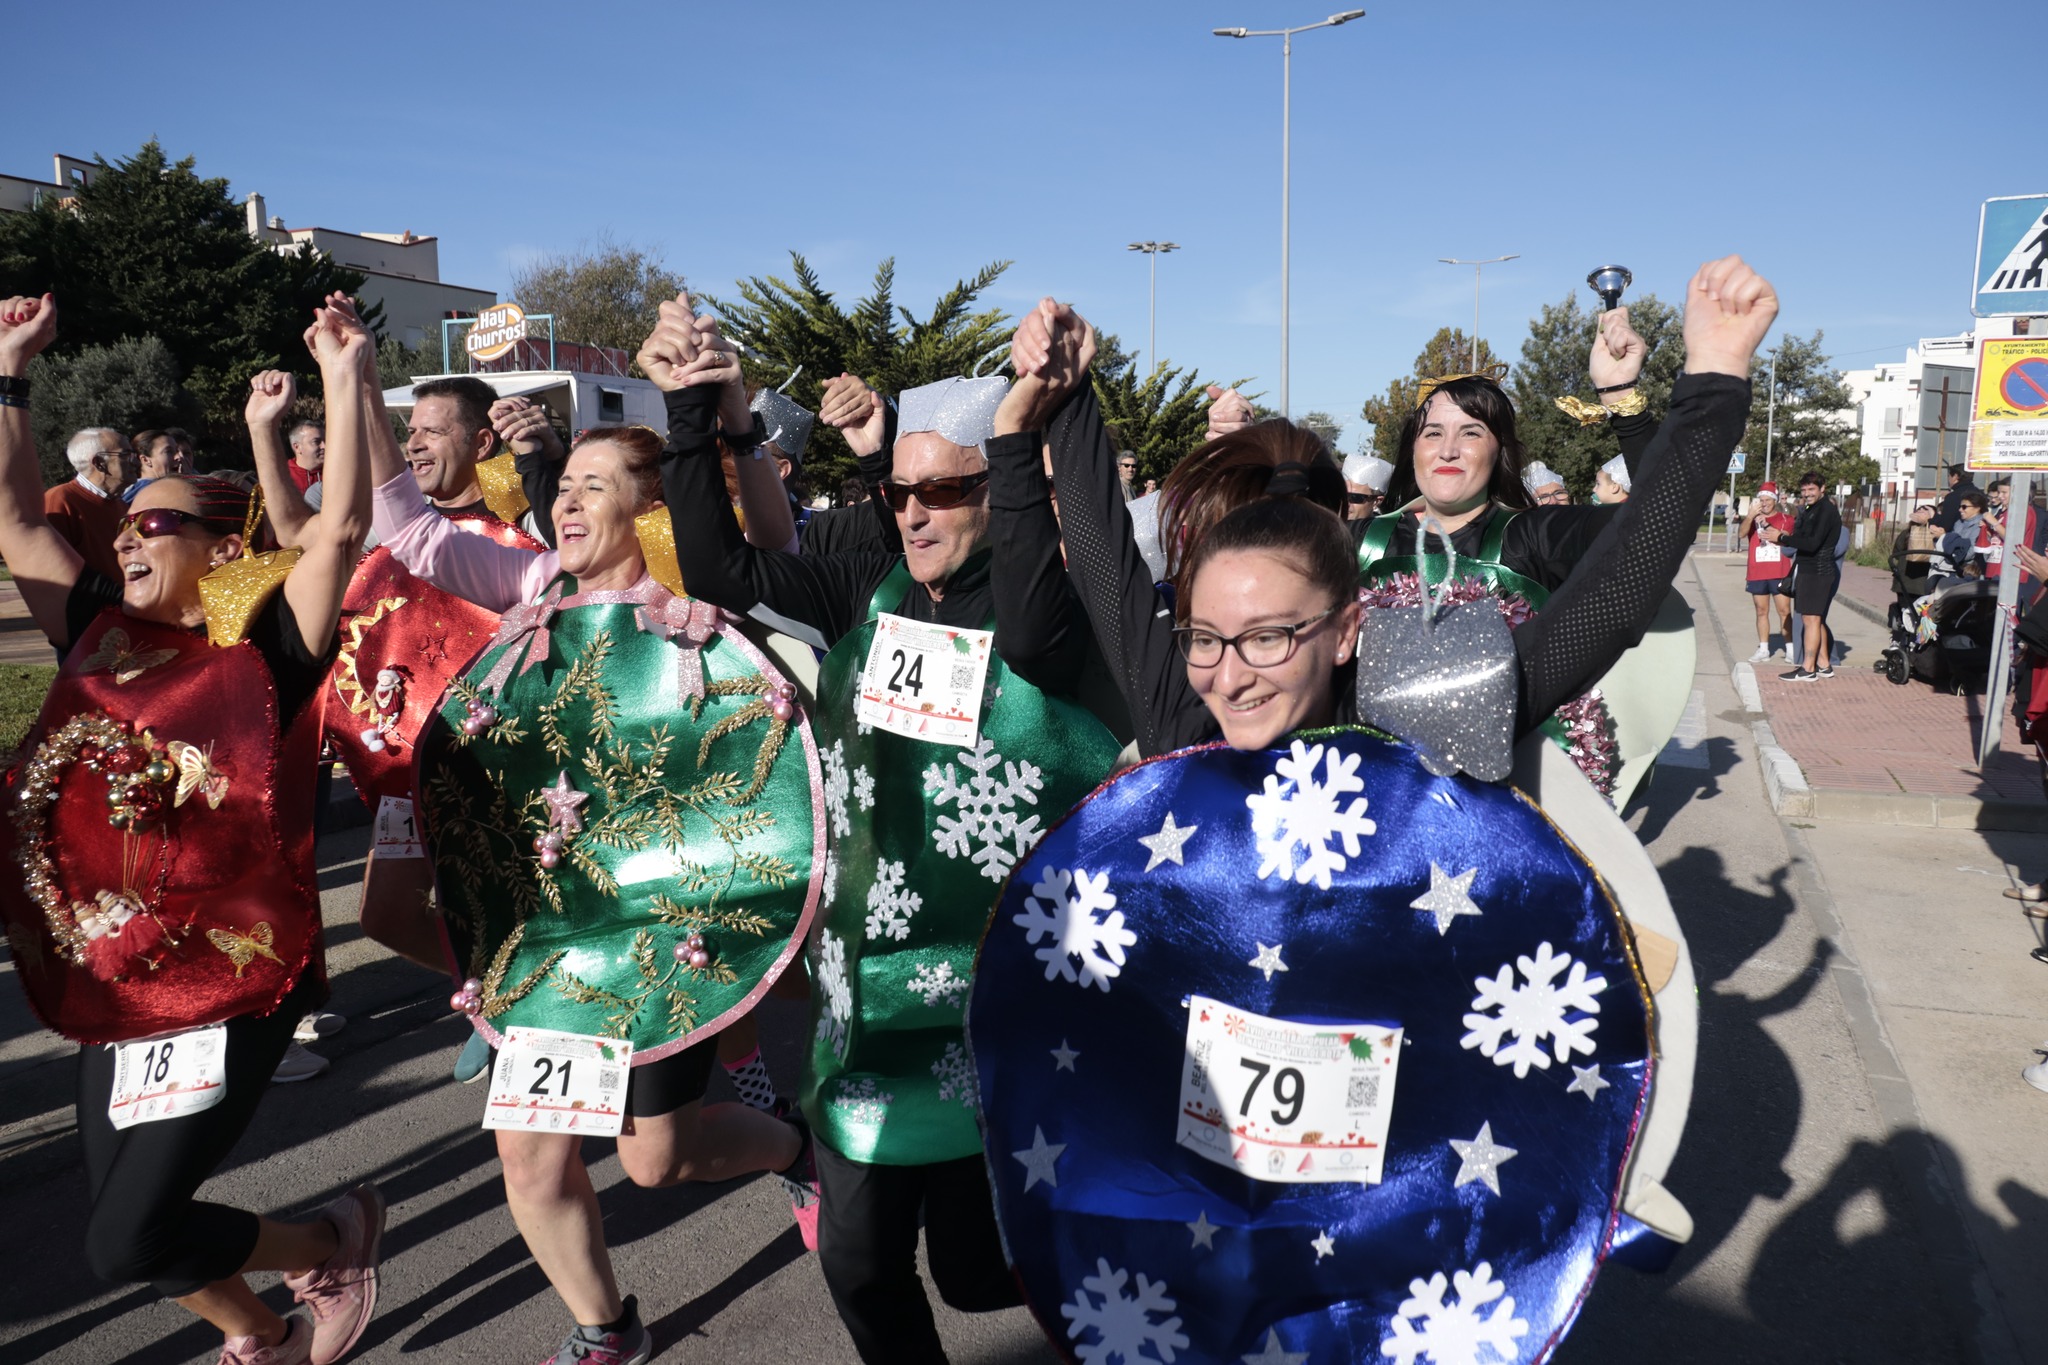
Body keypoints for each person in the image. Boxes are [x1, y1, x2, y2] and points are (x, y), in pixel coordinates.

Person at [658, 289, 1124, 1364]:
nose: (911, 512)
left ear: (1000, 492)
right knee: (859, 1266)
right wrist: (692, 411)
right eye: (896, 489)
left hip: (993, 1010)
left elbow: (1036, 577)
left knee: (968, 1275)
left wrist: (1026, 435)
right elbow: (720, 571)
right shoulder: (870, 588)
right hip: (866, 1007)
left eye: (943, 490)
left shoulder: (1042, 619)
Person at [364, 363, 817, 1365]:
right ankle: (604, 1329)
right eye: (560, 487)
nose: (564, 503)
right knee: (527, 1157)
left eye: (591, 488)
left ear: (648, 509)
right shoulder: (534, 582)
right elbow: (406, 530)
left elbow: (776, 556)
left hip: (672, 920)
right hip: (559, 923)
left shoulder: (698, 595)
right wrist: (346, 376)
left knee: (655, 1161)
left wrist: (728, 647)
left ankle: (793, 1143)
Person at [0, 290, 383, 1365]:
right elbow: (17, 520)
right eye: (125, 524)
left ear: (218, 552)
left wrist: (346, 379)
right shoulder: (93, 636)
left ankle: (329, 1239)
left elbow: (337, 530)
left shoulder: (264, 655)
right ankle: (260, 1334)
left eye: (155, 525)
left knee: (125, 1241)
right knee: (130, 1218)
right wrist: (7, 374)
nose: (127, 538)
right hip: (114, 980)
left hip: (235, 980)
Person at [1761, 470, 1842, 681]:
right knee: (1816, 619)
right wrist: (1782, 538)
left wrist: (1783, 538)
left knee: (1811, 619)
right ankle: (1823, 664)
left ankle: (1808, 668)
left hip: (1818, 571)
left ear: (1822, 489)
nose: (1807, 493)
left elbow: (1813, 543)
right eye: (1804, 490)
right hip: (1809, 569)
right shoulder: (1810, 508)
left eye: (1812, 489)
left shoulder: (1825, 510)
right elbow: (1802, 537)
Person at [42, 427, 132, 581]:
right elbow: (52, 570)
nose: (136, 461)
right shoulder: (60, 501)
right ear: (99, 463)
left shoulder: (121, 505)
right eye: (126, 455)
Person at [1739, 482, 1796, 660]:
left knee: (1784, 610)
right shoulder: (1753, 518)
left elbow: (1786, 538)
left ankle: (1791, 649)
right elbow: (1741, 534)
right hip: (1757, 571)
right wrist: (1749, 517)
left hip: (1779, 571)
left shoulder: (1786, 518)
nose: (1764, 503)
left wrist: (1768, 526)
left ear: (1775, 500)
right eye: (1761, 500)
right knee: (1761, 610)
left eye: (1768, 500)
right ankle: (1764, 649)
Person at [1342, 453, 1393, 519]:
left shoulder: (1386, 528)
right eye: (1342, 495)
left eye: (1354, 497)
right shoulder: (1326, 526)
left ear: (1377, 502)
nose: (1346, 503)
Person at [1934, 463, 1979, 532]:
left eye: (1949, 476)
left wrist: (1932, 518)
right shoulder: (1980, 493)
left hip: (1958, 537)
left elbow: (1945, 526)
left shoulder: (1953, 497)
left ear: (1955, 476)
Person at [286, 419, 324, 493]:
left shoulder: (337, 473)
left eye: (326, 441)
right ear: (297, 447)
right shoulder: (283, 476)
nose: (324, 446)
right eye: (316, 442)